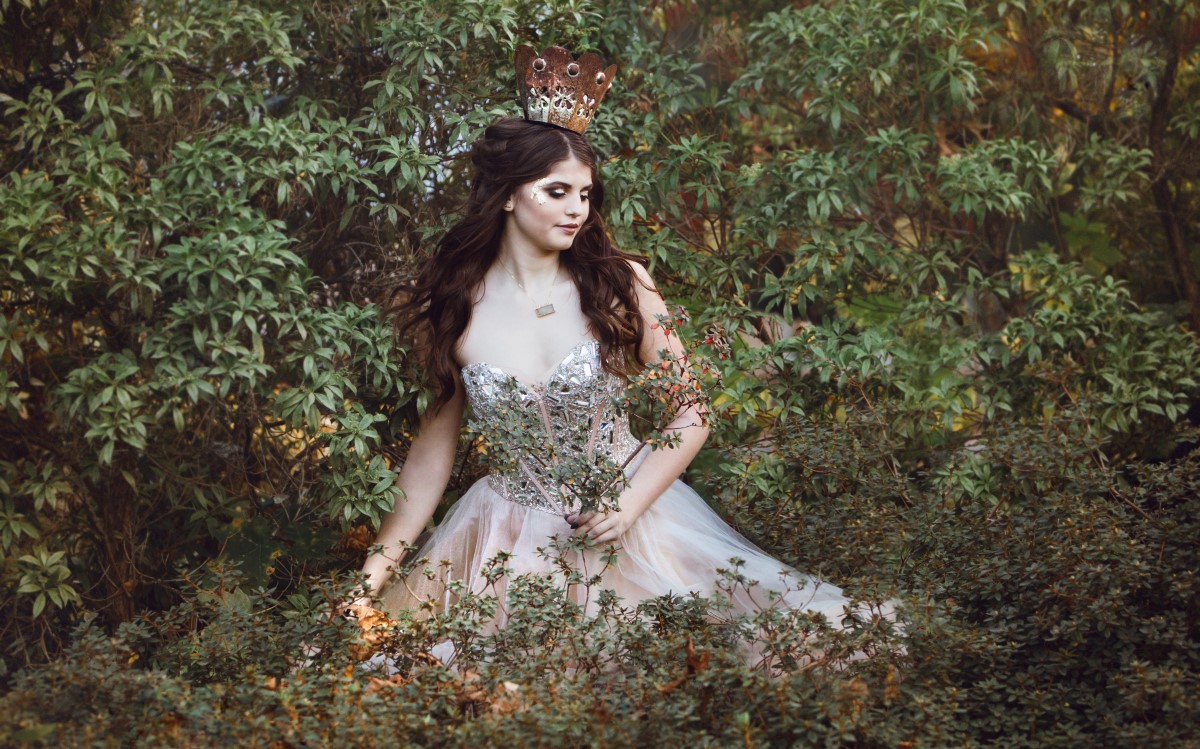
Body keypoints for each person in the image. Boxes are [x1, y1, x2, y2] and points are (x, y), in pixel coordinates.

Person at [352, 46, 886, 658]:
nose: (577, 208)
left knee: (756, 652)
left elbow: (692, 414)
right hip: (506, 535)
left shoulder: (618, 281)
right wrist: (368, 585)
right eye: (556, 191)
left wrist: (626, 506)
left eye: (585, 193)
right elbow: (427, 464)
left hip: (636, 523)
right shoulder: (456, 306)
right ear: (506, 196)